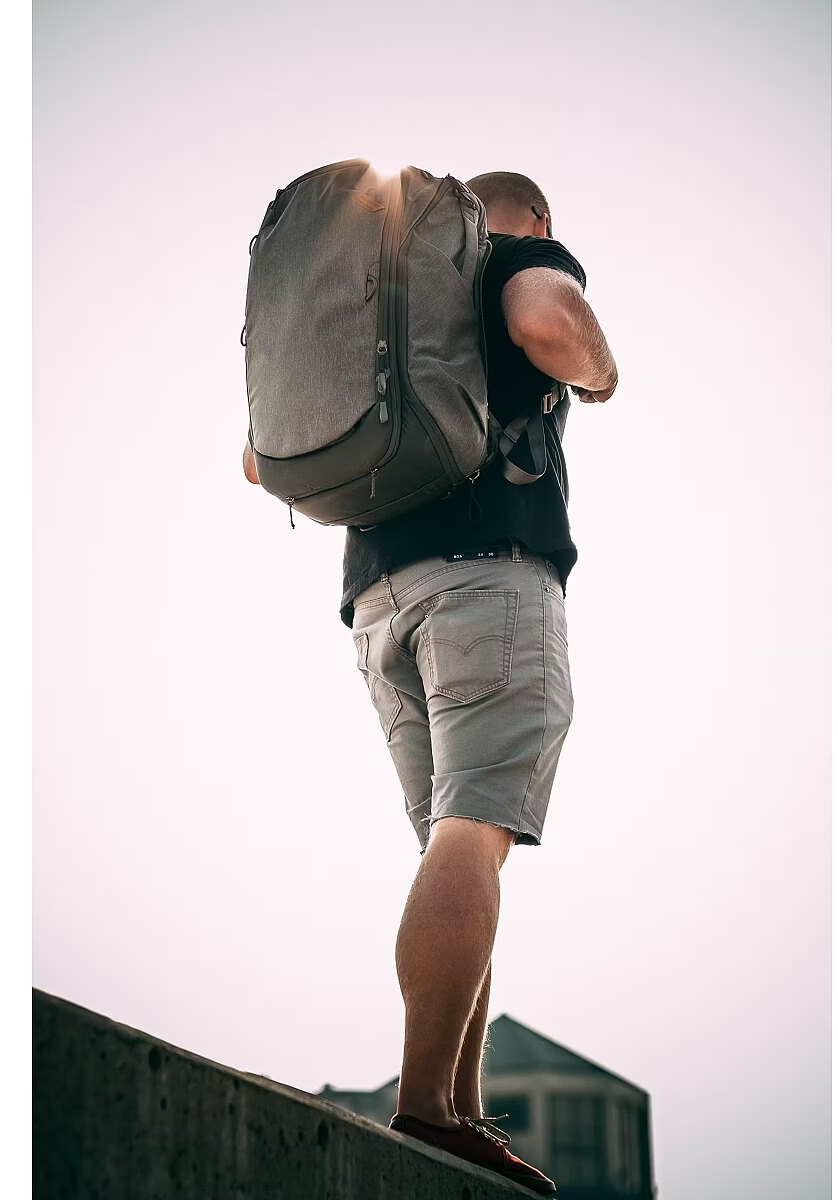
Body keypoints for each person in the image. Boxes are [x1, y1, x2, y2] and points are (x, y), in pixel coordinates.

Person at [244, 171, 617, 1194]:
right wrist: (602, 373)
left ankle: (455, 1105)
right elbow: (548, 323)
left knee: (458, 843)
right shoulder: (512, 255)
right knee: (476, 829)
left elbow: (258, 460)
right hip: (488, 582)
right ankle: (426, 1105)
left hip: (378, 605)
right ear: (538, 217)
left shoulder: (386, 298)